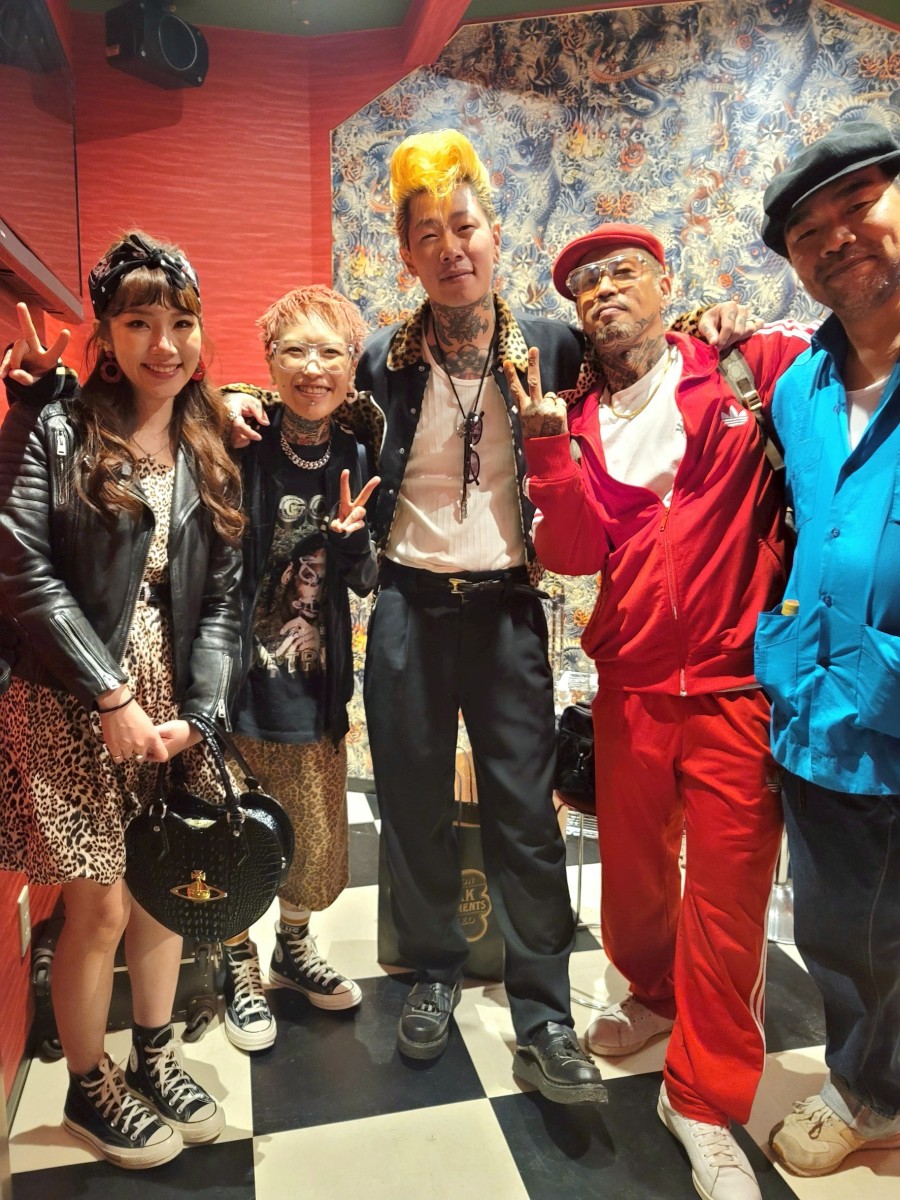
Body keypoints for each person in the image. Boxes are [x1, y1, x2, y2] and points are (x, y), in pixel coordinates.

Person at [512, 222, 811, 1197]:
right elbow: (570, 555)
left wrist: (745, 326)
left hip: (736, 688)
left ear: (663, 282)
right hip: (631, 685)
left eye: (622, 273)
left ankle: (703, 1099)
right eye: (585, 284)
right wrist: (548, 449)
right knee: (636, 879)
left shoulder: (741, 369)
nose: (603, 291)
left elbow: (842, 361)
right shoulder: (576, 418)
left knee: (727, 901)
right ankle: (651, 990)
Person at [350, 128, 607, 1103]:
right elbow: (317, 421)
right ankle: (434, 970)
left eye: (465, 227)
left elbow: (644, 370)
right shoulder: (381, 359)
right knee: (411, 806)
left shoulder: (554, 346)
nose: (450, 248)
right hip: (408, 609)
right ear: (407, 254)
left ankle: (545, 1014)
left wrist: (719, 329)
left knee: (525, 817)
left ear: (495, 234)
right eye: (428, 234)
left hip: (506, 612)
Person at [0, 232, 243, 1168]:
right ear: (105, 332)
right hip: (72, 694)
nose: (164, 345)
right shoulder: (59, 426)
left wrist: (201, 717)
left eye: (181, 323)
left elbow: (221, 602)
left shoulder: (208, 442)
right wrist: (108, 694)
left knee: (163, 891)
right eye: (139, 323)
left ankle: (154, 1052)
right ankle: (88, 1082)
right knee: (98, 909)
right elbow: (21, 568)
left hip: (169, 702)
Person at [755, 119, 900, 1178]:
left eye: (859, 206)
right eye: (809, 232)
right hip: (820, 708)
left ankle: (872, 1091)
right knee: (844, 929)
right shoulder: (797, 389)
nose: (836, 238)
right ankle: (869, 1085)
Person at [214, 287, 379, 1052]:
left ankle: (293, 947)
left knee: (310, 834)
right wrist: (222, 400)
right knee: (233, 830)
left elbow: (366, 578)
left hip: (313, 683)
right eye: (295, 351)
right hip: (235, 680)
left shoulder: (357, 454)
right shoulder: (239, 439)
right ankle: (237, 963)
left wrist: (349, 542)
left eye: (331, 352)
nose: (314, 368)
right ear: (270, 362)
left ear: (351, 365)